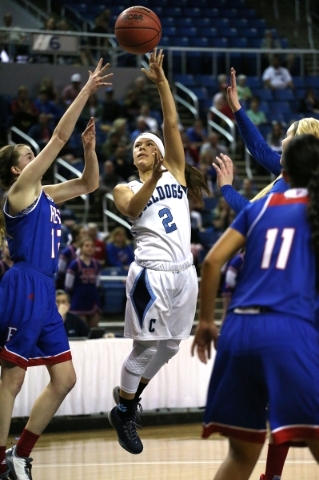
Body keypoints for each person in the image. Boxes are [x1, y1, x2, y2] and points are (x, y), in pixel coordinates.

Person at [0, 58, 112, 480]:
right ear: (17, 168)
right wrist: (85, 89)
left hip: (44, 291)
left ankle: (19, 453)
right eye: (28, 154)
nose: (35, 155)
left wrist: (89, 151)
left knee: (64, 379)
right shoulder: (21, 189)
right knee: (10, 381)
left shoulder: (44, 193)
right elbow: (59, 135)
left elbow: (89, 185)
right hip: (24, 282)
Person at [192, 134, 319, 480]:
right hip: (286, 332)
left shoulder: (259, 207)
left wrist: (206, 322)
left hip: (236, 334)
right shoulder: (314, 209)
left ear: (285, 172)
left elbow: (211, 263)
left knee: (241, 455)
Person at [108, 48, 209, 455]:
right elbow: (132, 210)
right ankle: (125, 411)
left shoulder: (179, 172)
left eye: (147, 144)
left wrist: (162, 82)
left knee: (170, 346)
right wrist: (154, 175)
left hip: (185, 272)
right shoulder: (126, 187)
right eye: (136, 147)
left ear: (161, 151)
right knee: (145, 348)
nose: (141, 148)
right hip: (151, 273)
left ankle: (127, 401)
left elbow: (170, 121)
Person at [64, 236, 102, 327]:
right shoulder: (75, 264)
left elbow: (97, 283)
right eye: (87, 245)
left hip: (93, 299)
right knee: (82, 330)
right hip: (79, 300)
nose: (90, 248)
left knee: (94, 330)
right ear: (81, 248)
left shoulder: (97, 264)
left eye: (92, 246)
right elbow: (68, 285)